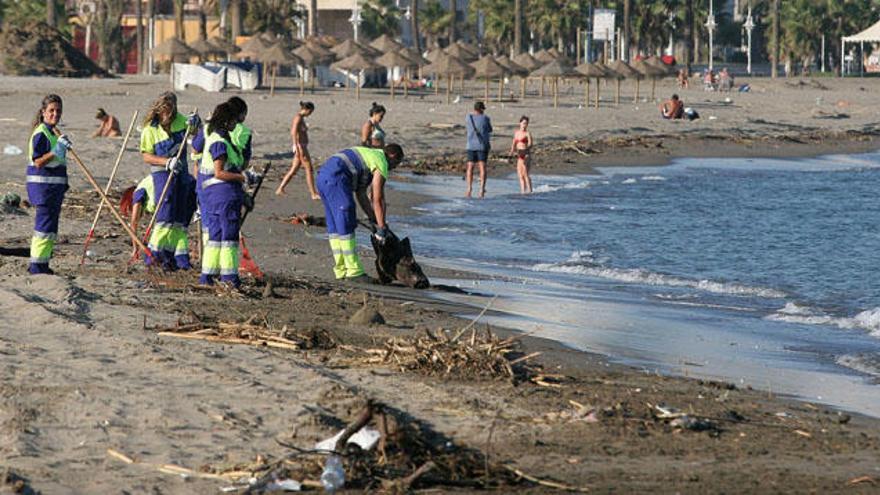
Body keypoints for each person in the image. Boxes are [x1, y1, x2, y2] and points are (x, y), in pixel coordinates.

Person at [315, 144, 404, 281]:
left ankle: (341, 270)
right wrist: (382, 228)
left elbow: (361, 194)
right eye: (396, 164)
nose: (394, 168)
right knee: (346, 219)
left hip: (323, 177)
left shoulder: (369, 157)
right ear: (392, 156)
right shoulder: (381, 160)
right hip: (337, 177)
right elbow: (377, 198)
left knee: (335, 226)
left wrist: (373, 218)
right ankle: (354, 271)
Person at [197, 101, 260, 288]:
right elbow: (220, 172)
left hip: (216, 196)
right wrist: (244, 177)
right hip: (223, 196)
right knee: (229, 238)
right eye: (233, 120)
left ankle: (207, 276)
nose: (236, 124)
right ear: (227, 121)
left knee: (216, 237)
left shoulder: (221, 138)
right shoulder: (219, 141)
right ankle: (230, 278)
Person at [137, 91, 200, 270]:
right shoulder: (150, 129)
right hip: (162, 173)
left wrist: (196, 124)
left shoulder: (181, 121)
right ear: (159, 110)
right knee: (165, 214)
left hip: (181, 172)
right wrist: (166, 162)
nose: (168, 116)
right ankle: (154, 256)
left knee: (179, 217)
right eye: (165, 111)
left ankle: (176, 258)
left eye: (171, 111)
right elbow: (146, 156)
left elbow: (196, 136)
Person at [191, 97, 252, 247]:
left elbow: (195, 149)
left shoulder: (208, 127)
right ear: (241, 115)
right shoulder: (244, 132)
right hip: (229, 183)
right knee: (225, 233)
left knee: (209, 225)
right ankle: (216, 265)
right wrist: (242, 177)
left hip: (204, 182)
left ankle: (207, 261)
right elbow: (244, 162)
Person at [26, 94, 71, 275]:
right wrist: (57, 150)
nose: (55, 114)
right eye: (51, 110)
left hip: (54, 189)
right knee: (43, 229)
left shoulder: (54, 133)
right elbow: (38, 161)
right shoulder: (41, 134)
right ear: (43, 112)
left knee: (51, 229)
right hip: (43, 189)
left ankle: (43, 265)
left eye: (58, 111)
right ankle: (37, 267)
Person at [276, 101, 318, 199]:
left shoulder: (301, 118)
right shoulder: (298, 118)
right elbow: (293, 132)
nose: (310, 114)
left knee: (293, 169)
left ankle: (280, 188)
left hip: (302, 146)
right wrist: (295, 146)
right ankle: (313, 193)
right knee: (309, 168)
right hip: (300, 147)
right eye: (310, 112)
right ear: (307, 110)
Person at [465, 101, 492, 198]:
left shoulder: (468, 117)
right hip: (482, 145)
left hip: (470, 145)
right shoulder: (485, 118)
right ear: (481, 109)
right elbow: (489, 130)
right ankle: (481, 189)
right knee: (482, 167)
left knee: (470, 167)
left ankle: (469, 188)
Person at [509, 115, 533, 194]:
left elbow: (530, 144)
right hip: (519, 154)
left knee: (525, 173)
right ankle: (523, 191)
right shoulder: (516, 133)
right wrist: (511, 152)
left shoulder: (527, 133)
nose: (524, 125)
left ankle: (529, 191)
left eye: (526, 123)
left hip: (526, 154)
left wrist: (525, 150)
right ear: (520, 123)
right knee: (520, 174)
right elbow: (513, 144)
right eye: (523, 123)